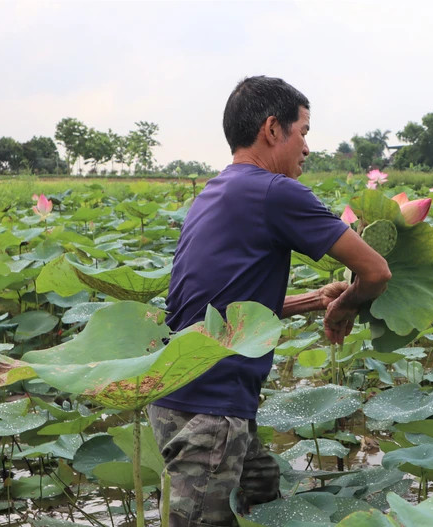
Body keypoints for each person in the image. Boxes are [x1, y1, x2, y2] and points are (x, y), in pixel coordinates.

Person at [148, 76, 391, 527]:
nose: (306, 147)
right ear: (273, 129)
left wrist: (317, 299)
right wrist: (351, 302)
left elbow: (222, 308)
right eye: (304, 132)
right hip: (212, 406)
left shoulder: (215, 192)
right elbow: (376, 272)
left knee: (264, 494)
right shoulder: (275, 190)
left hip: (174, 395)